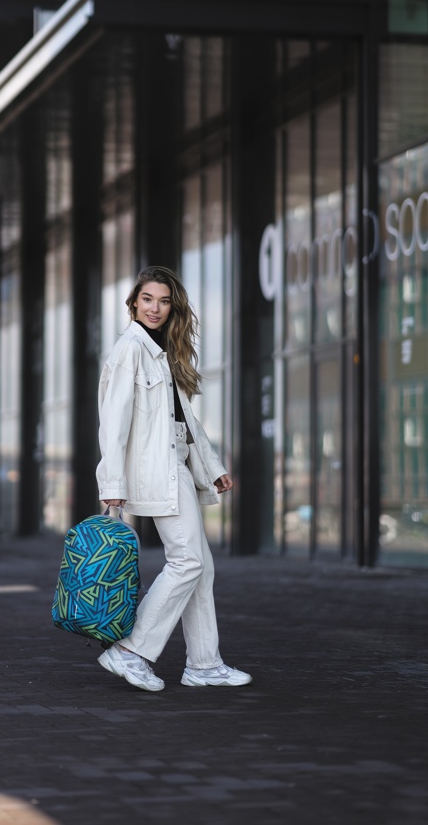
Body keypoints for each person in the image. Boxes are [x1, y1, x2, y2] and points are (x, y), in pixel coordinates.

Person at [95, 265, 252, 692]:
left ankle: (204, 664)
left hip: (176, 465)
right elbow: (113, 425)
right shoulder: (130, 350)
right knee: (188, 561)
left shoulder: (161, 351)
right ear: (133, 303)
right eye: (148, 299)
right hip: (155, 471)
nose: (156, 308)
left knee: (201, 567)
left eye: (164, 301)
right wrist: (112, 485)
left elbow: (184, 421)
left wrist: (212, 467)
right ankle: (131, 650)